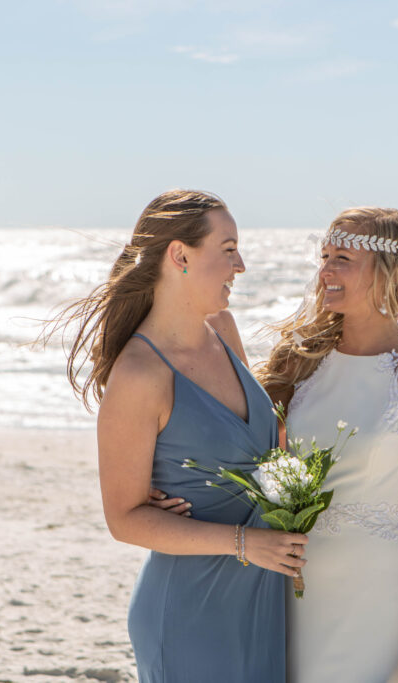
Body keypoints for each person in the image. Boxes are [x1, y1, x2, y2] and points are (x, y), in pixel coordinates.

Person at [50, 189, 307, 683]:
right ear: (180, 255)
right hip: (191, 610)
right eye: (228, 249)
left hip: (260, 600)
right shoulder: (141, 374)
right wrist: (244, 543)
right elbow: (124, 520)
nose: (242, 265)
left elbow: (263, 453)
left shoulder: (225, 331)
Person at [255, 207, 398, 683]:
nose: (325, 270)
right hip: (292, 582)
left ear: (388, 271)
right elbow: (246, 446)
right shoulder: (299, 359)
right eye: (324, 256)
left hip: (379, 589)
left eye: (342, 258)